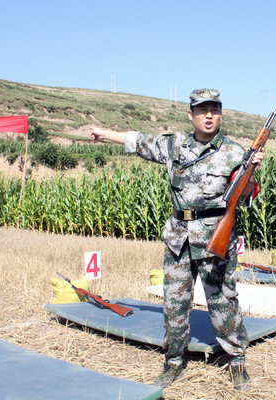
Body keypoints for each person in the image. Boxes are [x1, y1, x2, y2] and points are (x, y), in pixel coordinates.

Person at [90, 88, 264, 391]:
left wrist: (250, 173)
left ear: (220, 114)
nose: (209, 116)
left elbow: (247, 196)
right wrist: (104, 134)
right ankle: (173, 360)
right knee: (174, 303)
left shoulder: (236, 153)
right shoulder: (174, 145)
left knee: (223, 299)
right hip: (178, 238)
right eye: (202, 110)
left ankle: (236, 359)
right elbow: (139, 141)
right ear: (191, 114)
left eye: (214, 110)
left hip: (215, 238)